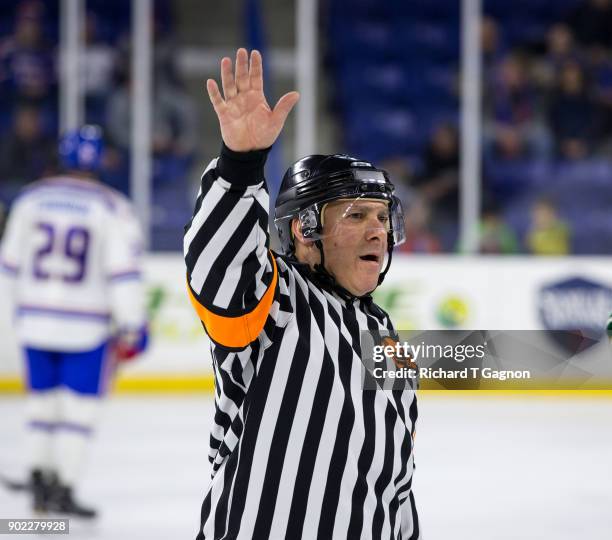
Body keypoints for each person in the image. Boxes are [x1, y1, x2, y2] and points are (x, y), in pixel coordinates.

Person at [184, 48, 420, 540]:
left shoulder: (386, 340)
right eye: (356, 216)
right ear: (303, 230)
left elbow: (395, 479)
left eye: (383, 218)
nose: (377, 231)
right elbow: (215, 269)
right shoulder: (276, 301)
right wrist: (240, 166)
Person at [0, 125, 148, 517]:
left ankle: (37, 480)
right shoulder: (112, 206)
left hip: (34, 321)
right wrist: (133, 323)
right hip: (86, 326)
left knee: (40, 404)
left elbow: (8, 267)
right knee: (79, 413)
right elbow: (123, 272)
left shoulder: (31, 199)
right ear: (100, 160)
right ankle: (62, 487)